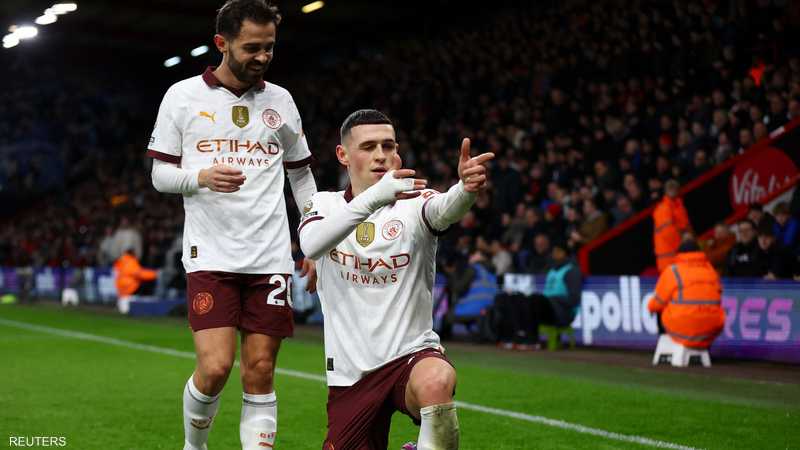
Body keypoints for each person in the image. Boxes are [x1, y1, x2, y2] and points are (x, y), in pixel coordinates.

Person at [146, 1, 317, 449]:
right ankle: (195, 445)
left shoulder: (281, 100)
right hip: (211, 254)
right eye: (252, 47)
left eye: (270, 47)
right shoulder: (183, 96)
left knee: (260, 369)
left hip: (270, 256)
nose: (263, 56)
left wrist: (315, 239)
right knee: (216, 367)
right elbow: (160, 175)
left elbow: (301, 175)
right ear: (222, 43)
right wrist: (200, 177)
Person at [298, 109, 494, 450]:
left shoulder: (416, 203)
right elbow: (312, 244)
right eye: (368, 146)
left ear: (397, 152)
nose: (380, 155)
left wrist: (465, 189)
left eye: (387, 146)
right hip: (351, 374)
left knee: (436, 380)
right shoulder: (324, 205)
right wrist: (374, 197)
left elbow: (446, 209)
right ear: (343, 155)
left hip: (410, 357)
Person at [496, 239, 582, 350]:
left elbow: (574, 299)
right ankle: (513, 336)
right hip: (547, 307)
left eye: (557, 251)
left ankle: (532, 340)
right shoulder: (552, 270)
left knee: (534, 300)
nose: (554, 254)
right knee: (514, 298)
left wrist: (551, 299)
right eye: (553, 251)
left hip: (562, 313)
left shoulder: (572, 271)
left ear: (564, 253)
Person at [648, 240, 725, 349]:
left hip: (683, 330)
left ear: (679, 254)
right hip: (709, 331)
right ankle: (704, 349)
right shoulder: (711, 270)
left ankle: (666, 349)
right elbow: (719, 296)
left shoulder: (673, 271)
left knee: (660, 307)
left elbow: (656, 303)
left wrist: (650, 308)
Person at [652, 179, 692, 272]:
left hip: (679, 257)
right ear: (665, 191)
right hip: (669, 260)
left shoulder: (679, 207)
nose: (672, 190)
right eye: (670, 187)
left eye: (674, 187)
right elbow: (669, 233)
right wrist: (685, 246)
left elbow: (686, 227)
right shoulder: (662, 209)